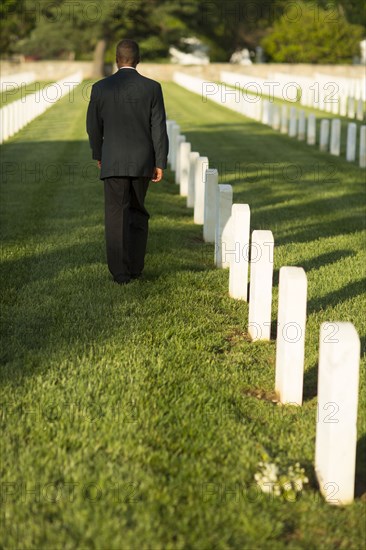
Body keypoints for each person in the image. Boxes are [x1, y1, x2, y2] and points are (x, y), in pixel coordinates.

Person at [86, 39, 169, 284]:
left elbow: (93, 127)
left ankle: (120, 273)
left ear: (116, 59)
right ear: (138, 59)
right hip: (143, 161)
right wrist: (160, 162)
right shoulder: (152, 87)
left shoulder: (100, 88)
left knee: (115, 215)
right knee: (138, 212)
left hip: (113, 160)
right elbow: (158, 128)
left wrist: (99, 154)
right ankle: (135, 268)